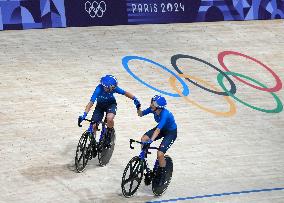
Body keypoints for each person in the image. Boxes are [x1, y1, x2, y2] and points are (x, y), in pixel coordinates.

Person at [78, 75, 141, 145]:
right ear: (106, 87)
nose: (113, 89)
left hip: (111, 105)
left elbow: (125, 93)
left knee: (109, 118)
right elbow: (91, 102)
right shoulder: (98, 89)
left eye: (113, 88)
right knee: (93, 126)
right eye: (111, 88)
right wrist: (84, 114)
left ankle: (109, 132)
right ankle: (93, 143)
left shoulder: (113, 88)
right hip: (100, 106)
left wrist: (135, 99)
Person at [137, 95, 177, 186]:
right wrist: (138, 107)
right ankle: (144, 161)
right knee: (143, 139)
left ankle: (162, 174)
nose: (151, 104)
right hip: (161, 129)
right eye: (152, 102)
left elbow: (158, 130)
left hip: (170, 133)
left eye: (153, 103)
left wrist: (151, 141)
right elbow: (141, 114)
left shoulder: (165, 114)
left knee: (160, 154)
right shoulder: (152, 109)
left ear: (158, 107)